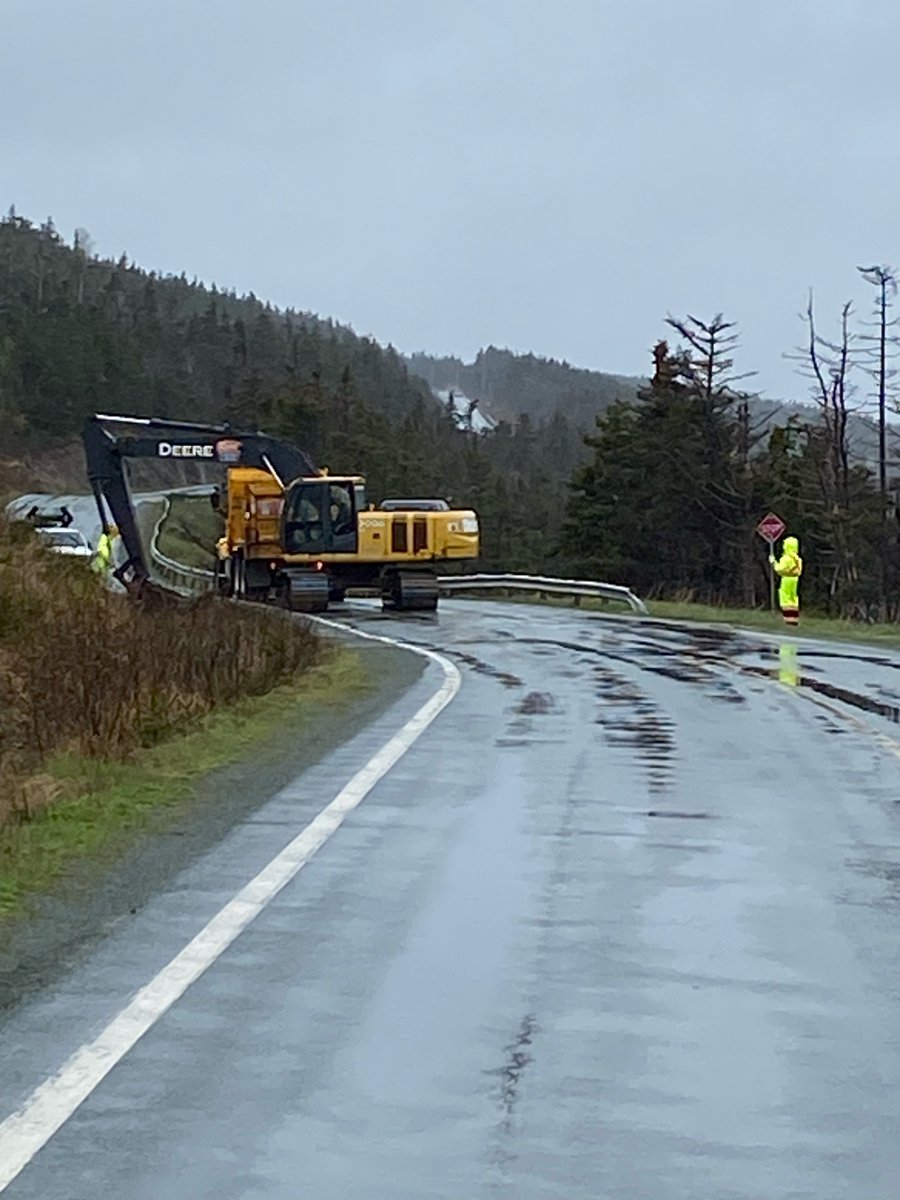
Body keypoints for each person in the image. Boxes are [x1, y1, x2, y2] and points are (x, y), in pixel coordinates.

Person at [769, 535, 802, 626]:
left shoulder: (786, 558)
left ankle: (788, 618)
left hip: (786, 579)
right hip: (795, 579)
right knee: (793, 598)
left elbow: (780, 569)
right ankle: (795, 618)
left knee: (785, 598)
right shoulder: (797, 559)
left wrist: (773, 562)